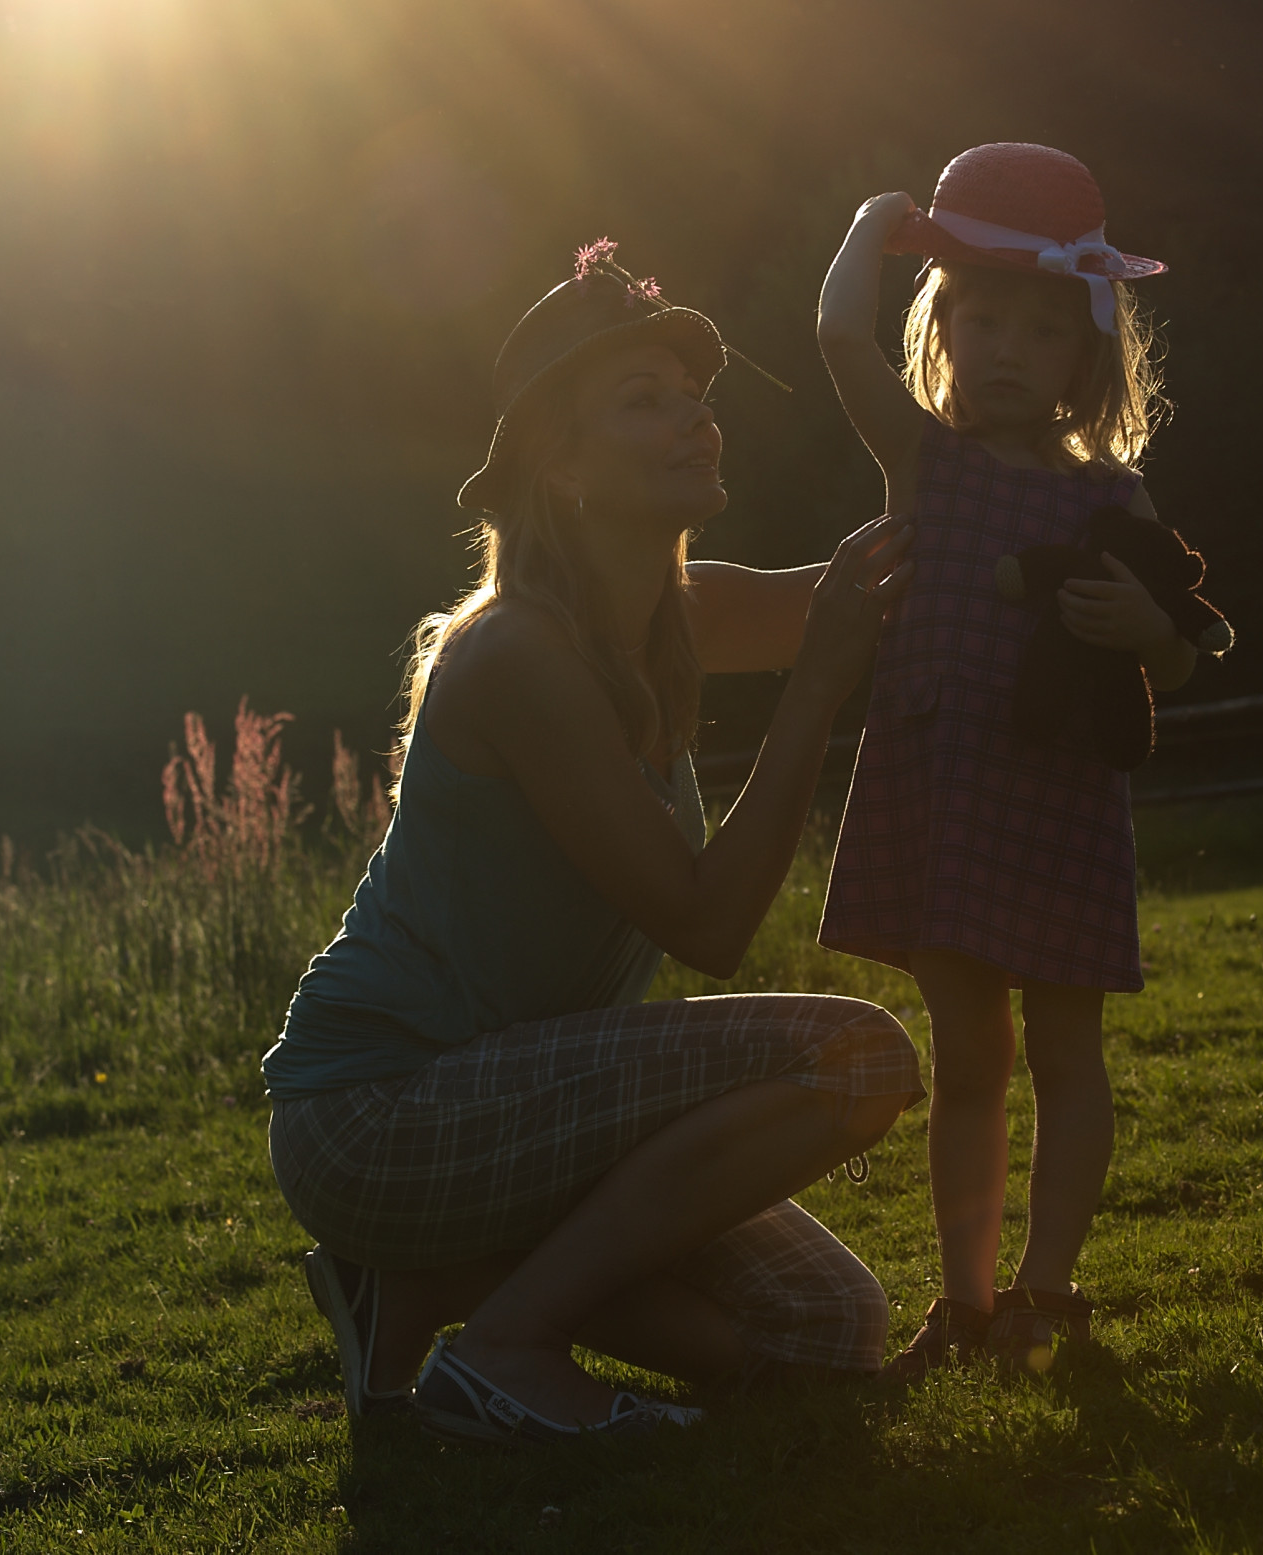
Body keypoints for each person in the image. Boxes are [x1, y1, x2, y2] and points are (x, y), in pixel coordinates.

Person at [263, 242, 923, 1444]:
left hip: (529, 1097)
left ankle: (427, 1287)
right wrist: (816, 690)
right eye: (644, 401)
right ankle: (507, 1345)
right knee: (858, 1059)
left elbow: (895, 580)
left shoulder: (684, 611)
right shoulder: (515, 656)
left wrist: (925, 378)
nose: (697, 421)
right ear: (558, 467)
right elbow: (709, 923)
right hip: (381, 1114)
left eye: (695, 396)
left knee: (827, 1331)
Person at [816, 143, 1213, 1379]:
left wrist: (1150, 633)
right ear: (939, 327)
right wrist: (875, 225)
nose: (1002, 349)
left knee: (1066, 1050)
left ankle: (1050, 1288)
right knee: (969, 1056)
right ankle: (968, 1301)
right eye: (977, 318)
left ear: (1084, 357)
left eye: (1038, 331)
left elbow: (1186, 660)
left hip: (1062, 800)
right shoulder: (925, 462)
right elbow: (835, 337)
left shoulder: (1118, 501)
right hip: (946, 793)